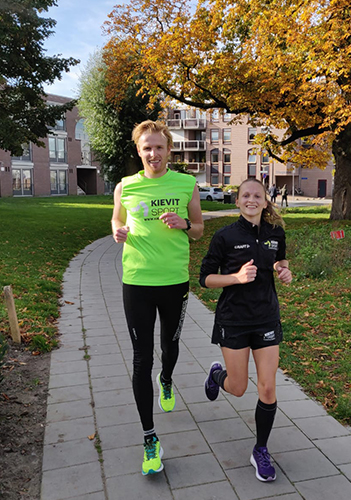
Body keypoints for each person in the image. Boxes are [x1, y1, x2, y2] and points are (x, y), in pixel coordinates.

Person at [111, 120, 203, 476]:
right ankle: (150, 438)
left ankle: (167, 378)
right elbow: (116, 220)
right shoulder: (126, 187)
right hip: (136, 281)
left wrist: (184, 224)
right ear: (139, 151)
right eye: (147, 148)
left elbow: (198, 229)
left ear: (169, 150)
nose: (153, 153)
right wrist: (116, 232)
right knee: (140, 358)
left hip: (173, 281)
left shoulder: (186, 184)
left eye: (159, 147)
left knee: (170, 346)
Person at [200, 178, 292, 482]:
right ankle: (217, 375)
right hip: (234, 319)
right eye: (245, 195)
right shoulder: (225, 237)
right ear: (237, 202)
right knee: (238, 388)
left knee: (267, 388)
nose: (252, 199)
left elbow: (280, 259)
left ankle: (261, 449)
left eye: (257, 195)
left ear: (265, 201)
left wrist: (283, 269)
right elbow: (205, 278)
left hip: (266, 317)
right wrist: (236, 278)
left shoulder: (276, 233)